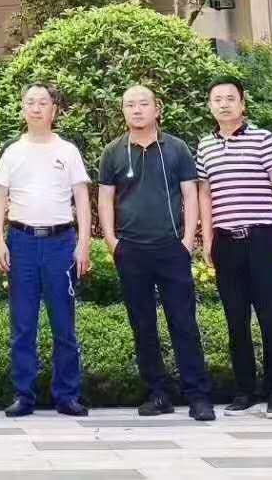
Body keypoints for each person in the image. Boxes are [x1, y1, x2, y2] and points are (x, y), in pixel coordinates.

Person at [98, 84, 215, 422]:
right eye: (130, 105)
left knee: (184, 323)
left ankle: (198, 396)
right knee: (143, 324)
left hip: (171, 248)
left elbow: (190, 194)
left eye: (143, 103)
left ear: (157, 109)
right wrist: (111, 240)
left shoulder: (176, 148)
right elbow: (105, 198)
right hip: (131, 249)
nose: (137, 110)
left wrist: (186, 240)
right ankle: (157, 393)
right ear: (123, 111)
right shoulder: (113, 152)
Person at [0, 83, 91, 419]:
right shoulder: (12, 152)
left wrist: (83, 244)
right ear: (23, 108)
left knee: (64, 323)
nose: (36, 108)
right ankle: (24, 395)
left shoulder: (68, 151)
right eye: (30, 102)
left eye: (42, 102)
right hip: (22, 243)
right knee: (22, 324)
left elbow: (82, 199)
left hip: (60, 243)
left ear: (53, 110)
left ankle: (67, 395)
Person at [197, 76, 272, 416]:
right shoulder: (205, 146)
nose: (224, 104)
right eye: (217, 99)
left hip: (262, 238)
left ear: (242, 103)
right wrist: (208, 238)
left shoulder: (263, 139)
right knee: (235, 319)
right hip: (226, 241)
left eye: (230, 98)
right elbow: (205, 195)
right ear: (210, 106)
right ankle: (244, 391)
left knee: (269, 317)